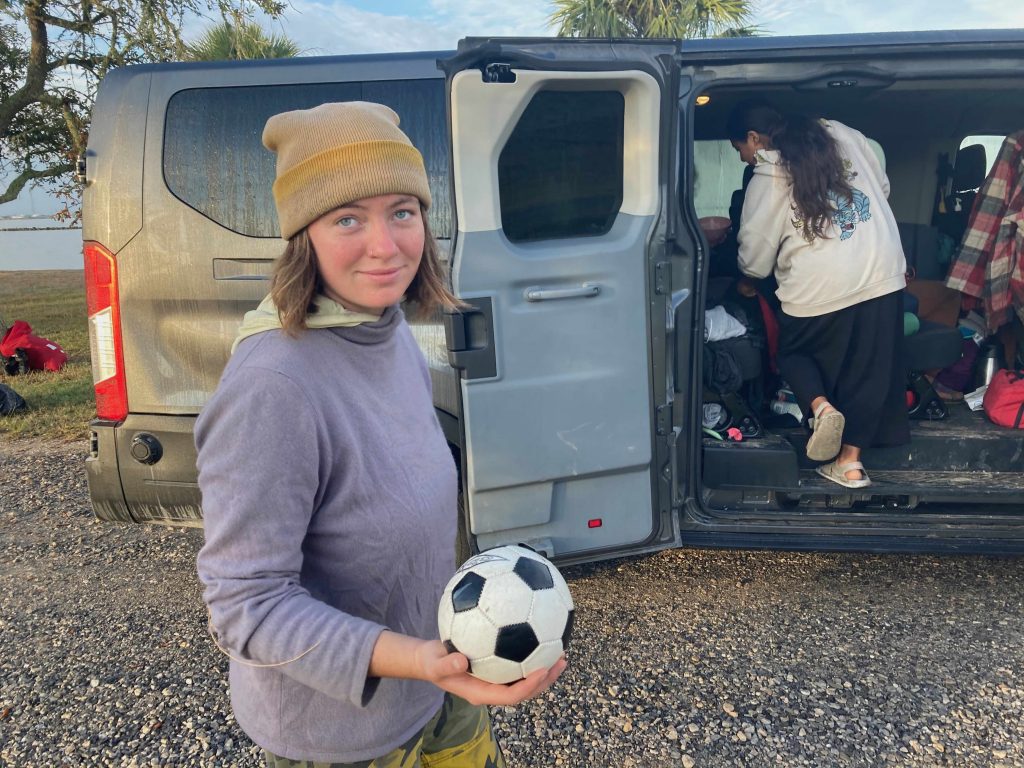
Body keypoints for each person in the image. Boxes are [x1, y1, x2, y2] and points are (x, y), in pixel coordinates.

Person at [195, 101, 566, 767]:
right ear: (302, 233)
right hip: (339, 733)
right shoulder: (273, 388)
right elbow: (244, 605)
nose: (385, 244)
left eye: (403, 210)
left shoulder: (386, 331)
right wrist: (421, 660)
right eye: (347, 218)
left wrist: (449, 654)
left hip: (437, 688)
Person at [727, 99, 910, 488]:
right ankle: (850, 464)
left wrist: (745, 277)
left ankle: (821, 407)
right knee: (869, 369)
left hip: (818, 285)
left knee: (794, 352)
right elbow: (882, 187)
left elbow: (756, 258)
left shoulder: (768, 173)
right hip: (881, 270)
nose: (744, 158)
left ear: (754, 139)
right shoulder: (842, 134)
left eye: (739, 149)